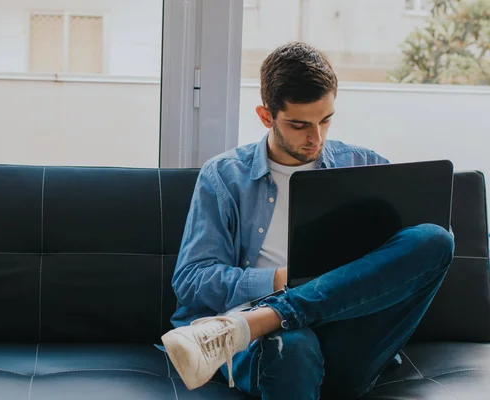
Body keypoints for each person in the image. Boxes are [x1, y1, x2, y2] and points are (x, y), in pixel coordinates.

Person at [160, 42, 454, 400]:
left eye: (325, 120)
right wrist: (280, 279)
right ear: (266, 116)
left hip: (350, 333)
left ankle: (257, 321)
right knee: (291, 345)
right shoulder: (224, 177)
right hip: (274, 346)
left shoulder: (365, 165)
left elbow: (412, 261)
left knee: (436, 239)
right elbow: (192, 280)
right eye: (299, 125)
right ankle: (259, 322)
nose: (316, 137)